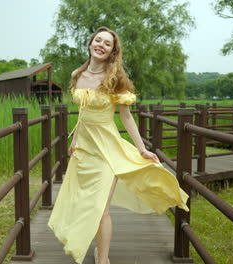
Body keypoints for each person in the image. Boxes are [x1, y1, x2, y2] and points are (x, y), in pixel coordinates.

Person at [47, 26, 189, 264]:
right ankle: (86, 244)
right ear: (90, 43)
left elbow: (126, 117)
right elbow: (83, 113)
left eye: (107, 43)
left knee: (101, 207)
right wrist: (75, 140)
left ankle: (103, 259)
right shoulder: (77, 74)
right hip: (84, 150)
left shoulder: (116, 78)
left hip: (108, 150)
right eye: (98, 40)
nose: (101, 45)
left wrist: (142, 148)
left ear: (113, 51)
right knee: (84, 203)